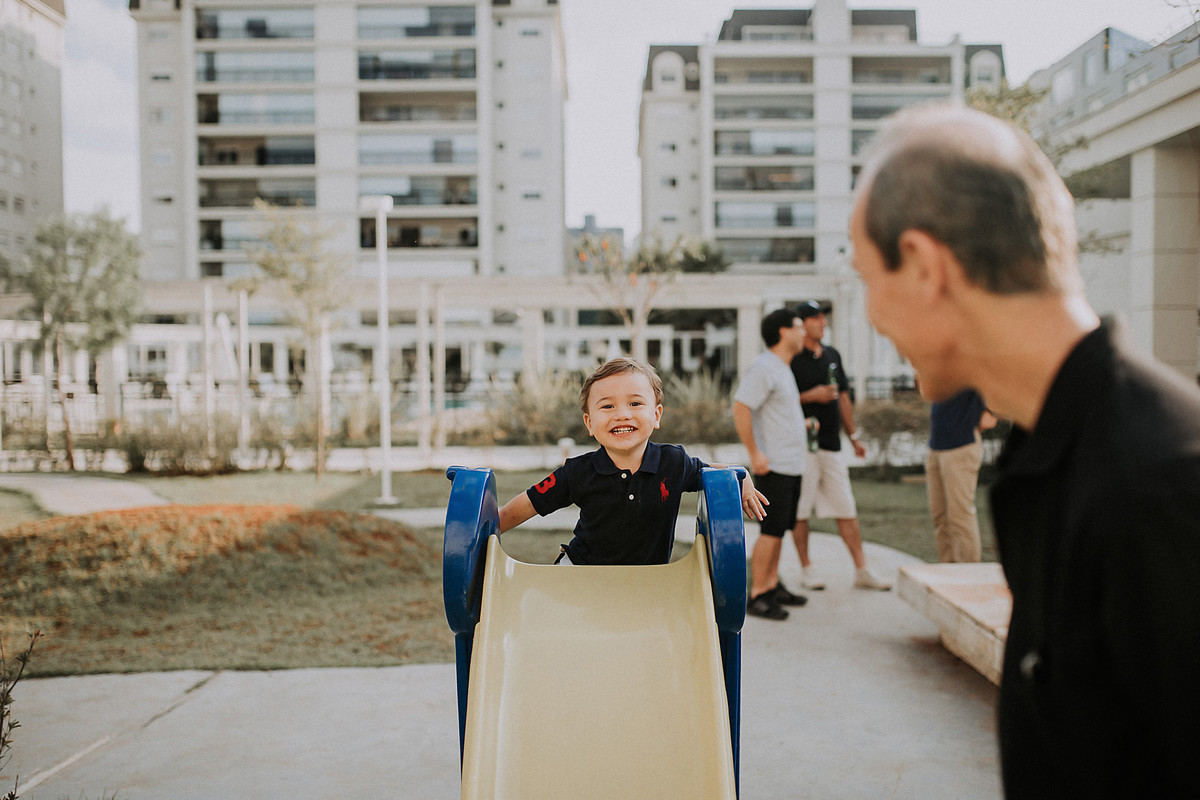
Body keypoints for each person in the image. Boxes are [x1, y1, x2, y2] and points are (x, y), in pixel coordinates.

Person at [851, 103, 1200, 799]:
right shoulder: (1054, 452)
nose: (870, 312)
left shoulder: (1160, 485)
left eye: (867, 279)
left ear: (923, 266)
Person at [497, 356, 766, 566]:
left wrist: (740, 475)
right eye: (607, 406)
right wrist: (484, 538)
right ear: (590, 423)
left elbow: (709, 472)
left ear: (657, 415)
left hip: (646, 581)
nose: (622, 414)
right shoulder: (577, 472)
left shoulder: (673, 463)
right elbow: (525, 505)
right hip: (582, 573)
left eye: (635, 404)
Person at [790, 300, 891, 591]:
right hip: (802, 448)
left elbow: (843, 397)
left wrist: (854, 436)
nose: (823, 323)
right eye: (816, 318)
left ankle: (862, 570)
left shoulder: (832, 355)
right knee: (801, 511)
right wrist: (811, 396)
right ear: (802, 324)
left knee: (846, 506)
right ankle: (807, 569)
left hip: (832, 446)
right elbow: (781, 402)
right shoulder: (792, 358)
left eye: (824, 318)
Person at [732, 308, 812, 620]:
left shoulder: (783, 367)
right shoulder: (764, 367)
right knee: (771, 530)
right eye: (798, 326)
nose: (803, 332)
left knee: (779, 530)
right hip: (774, 465)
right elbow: (741, 409)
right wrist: (755, 455)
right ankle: (758, 594)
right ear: (782, 331)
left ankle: (772, 584)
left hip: (792, 464)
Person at [926, 388, 996, 563]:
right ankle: (949, 572)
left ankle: (968, 577)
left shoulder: (973, 361)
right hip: (936, 445)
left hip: (962, 445)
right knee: (940, 518)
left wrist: (990, 411)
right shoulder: (939, 364)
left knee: (960, 517)